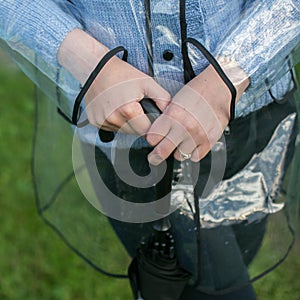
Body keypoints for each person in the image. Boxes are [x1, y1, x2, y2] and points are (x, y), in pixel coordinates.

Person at [0, 1, 299, 299]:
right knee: (204, 285)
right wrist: (90, 63)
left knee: (228, 261)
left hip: (255, 115)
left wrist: (229, 77)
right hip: (127, 133)